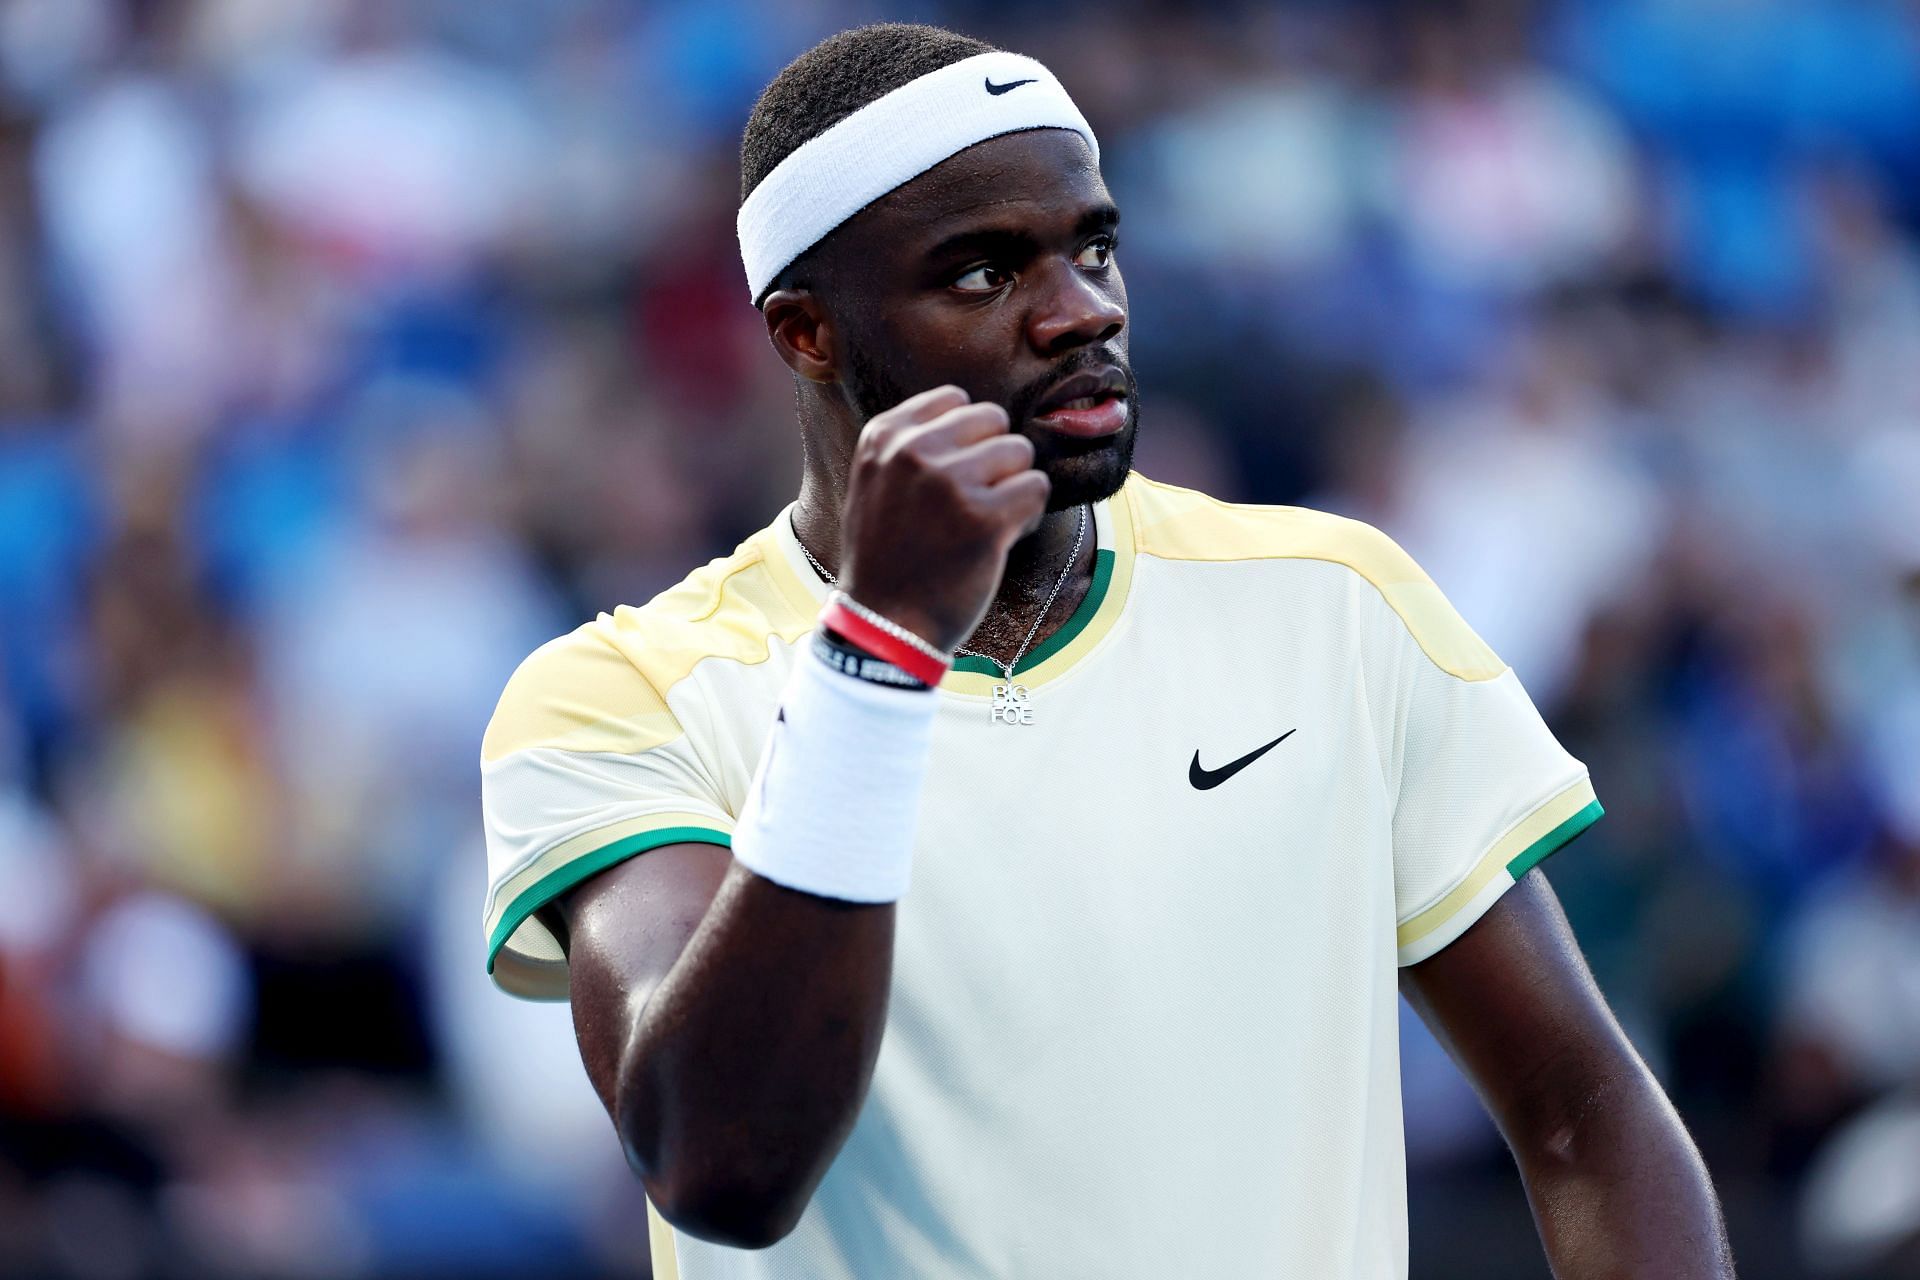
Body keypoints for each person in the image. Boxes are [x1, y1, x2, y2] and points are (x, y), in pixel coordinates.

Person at [479, 23, 1734, 1279]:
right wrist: (879, 651)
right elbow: (722, 1161)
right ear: (806, 332)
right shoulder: (620, 692)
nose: (1081, 311)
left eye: (1093, 246)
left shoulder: (1331, 604)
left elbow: (1585, 1113)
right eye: (982, 273)